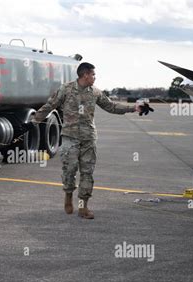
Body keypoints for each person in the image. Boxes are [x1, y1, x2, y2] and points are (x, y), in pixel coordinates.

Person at [19, 62, 154, 219]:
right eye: (93, 75)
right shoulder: (66, 89)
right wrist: (33, 122)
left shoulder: (95, 92)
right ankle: (68, 196)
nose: (95, 77)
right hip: (70, 137)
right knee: (69, 170)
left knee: (87, 173)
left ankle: (83, 207)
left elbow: (111, 106)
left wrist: (134, 108)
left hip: (89, 138)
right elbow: (50, 106)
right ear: (85, 75)